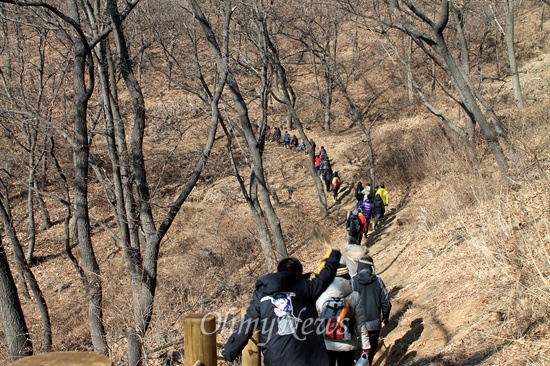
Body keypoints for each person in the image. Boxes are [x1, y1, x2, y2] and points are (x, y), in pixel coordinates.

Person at [222, 248, 342, 366]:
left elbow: (248, 324)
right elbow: (326, 274)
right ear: (299, 273)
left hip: (276, 359)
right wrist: (334, 253)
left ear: (278, 271)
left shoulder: (262, 294)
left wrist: (230, 351)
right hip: (308, 359)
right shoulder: (306, 287)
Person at [316, 264, 371, 366]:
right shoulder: (354, 296)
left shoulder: (322, 296)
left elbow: (316, 321)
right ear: (347, 276)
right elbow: (361, 325)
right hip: (348, 344)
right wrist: (365, 345)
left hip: (327, 344)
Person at [353, 258, 391, 366]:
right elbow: (386, 301)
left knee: (357, 354)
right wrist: (386, 316)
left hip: (357, 326)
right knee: (370, 352)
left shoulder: (353, 281)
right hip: (374, 324)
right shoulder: (378, 280)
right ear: (371, 268)